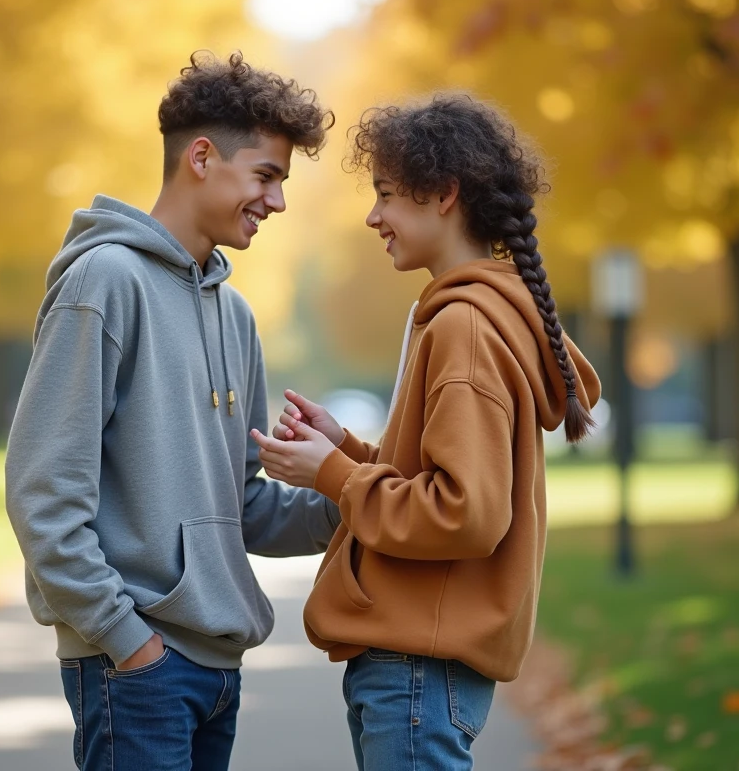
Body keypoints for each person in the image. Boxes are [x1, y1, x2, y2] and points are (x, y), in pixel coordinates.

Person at [5, 51, 339, 771]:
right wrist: (128, 643)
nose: (276, 202)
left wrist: (353, 499)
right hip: (138, 668)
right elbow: (43, 492)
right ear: (201, 157)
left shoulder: (236, 314)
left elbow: (242, 502)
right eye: (267, 176)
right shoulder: (104, 280)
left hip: (218, 670)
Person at [250, 93, 601, 770]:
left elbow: (465, 512)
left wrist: (332, 473)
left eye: (385, 194)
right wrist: (347, 449)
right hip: (421, 666)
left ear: (443, 194)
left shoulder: (464, 328)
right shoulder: (466, 318)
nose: (373, 215)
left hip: (418, 665)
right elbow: (440, 479)